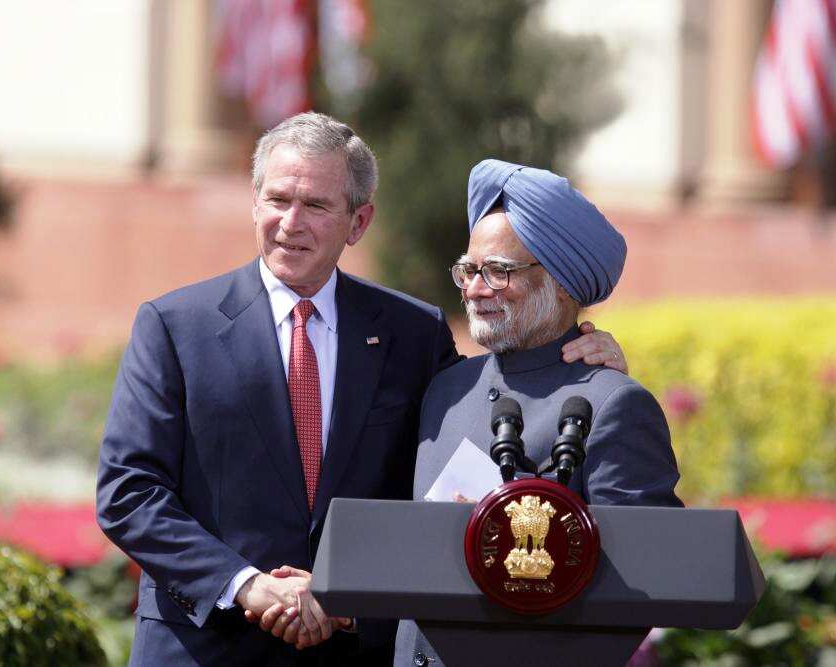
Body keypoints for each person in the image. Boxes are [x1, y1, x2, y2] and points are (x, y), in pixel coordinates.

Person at [96, 115, 625, 666]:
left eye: (315, 205)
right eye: (277, 199)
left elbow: (487, 423)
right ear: (254, 203)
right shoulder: (175, 327)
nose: (290, 223)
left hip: (351, 649)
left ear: (358, 221)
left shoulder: (413, 335)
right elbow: (129, 492)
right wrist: (246, 584)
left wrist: (585, 374)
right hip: (200, 647)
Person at [394, 158, 683, 667]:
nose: (475, 289)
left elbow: (644, 582)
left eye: (498, 272)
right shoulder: (446, 388)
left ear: (562, 283)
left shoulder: (613, 404)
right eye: (469, 270)